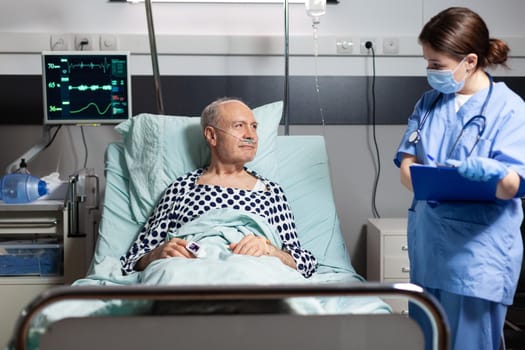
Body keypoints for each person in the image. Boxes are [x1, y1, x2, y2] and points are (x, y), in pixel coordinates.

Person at [394, 7, 525, 350]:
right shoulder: (428, 103)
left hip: (477, 259)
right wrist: (427, 179)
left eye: (437, 65)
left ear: (469, 61)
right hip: (428, 249)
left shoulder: (510, 110)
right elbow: (407, 164)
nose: (429, 72)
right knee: (428, 341)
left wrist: (495, 174)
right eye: (427, 62)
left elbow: (513, 185)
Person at [121, 97, 317, 278]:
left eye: (254, 127)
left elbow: (305, 264)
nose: (251, 136)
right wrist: (158, 253)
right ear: (211, 135)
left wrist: (270, 250)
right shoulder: (181, 188)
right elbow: (132, 260)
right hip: (189, 271)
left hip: (252, 269)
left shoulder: (271, 192)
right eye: (239, 126)